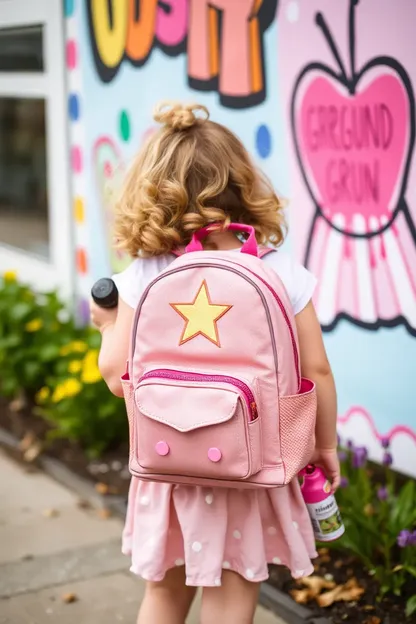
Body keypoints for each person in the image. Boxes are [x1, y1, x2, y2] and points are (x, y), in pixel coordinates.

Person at [90, 102, 340, 624]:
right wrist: (323, 445)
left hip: (168, 467)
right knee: (232, 599)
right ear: (243, 183)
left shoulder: (148, 270)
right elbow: (315, 371)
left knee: (163, 596)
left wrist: (109, 326)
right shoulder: (279, 270)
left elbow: (118, 378)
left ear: (150, 191)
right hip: (251, 465)